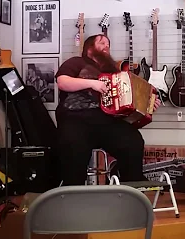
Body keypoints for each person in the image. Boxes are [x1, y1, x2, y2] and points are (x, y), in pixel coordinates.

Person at [54, 34, 161, 185]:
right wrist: (92, 83)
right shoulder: (76, 62)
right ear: (89, 47)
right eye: (102, 42)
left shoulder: (114, 72)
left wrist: (148, 105)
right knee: (73, 148)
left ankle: (132, 185)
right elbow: (62, 82)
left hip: (106, 120)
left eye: (108, 44)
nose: (106, 46)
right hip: (76, 118)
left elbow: (126, 105)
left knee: (133, 140)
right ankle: (72, 191)